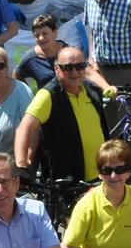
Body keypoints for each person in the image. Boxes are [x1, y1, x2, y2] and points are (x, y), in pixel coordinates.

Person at [16, 46, 108, 182]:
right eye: (68, 68)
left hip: (100, 176)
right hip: (68, 181)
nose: (74, 72)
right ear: (56, 69)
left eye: (80, 66)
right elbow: (24, 128)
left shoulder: (91, 90)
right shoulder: (48, 94)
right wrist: (21, 166)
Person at [15, 14, 64, 90]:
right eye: (37, 35)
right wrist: (29, 94)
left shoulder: (69, 50)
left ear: (55, 32)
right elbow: (17, 75)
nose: (41, 38)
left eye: (45, 33)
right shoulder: (30, 58)